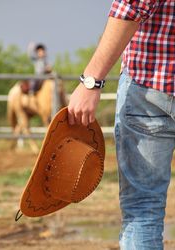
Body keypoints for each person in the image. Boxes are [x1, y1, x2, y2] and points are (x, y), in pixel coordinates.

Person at [68, 1, 174, 249]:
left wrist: (91, 82)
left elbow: (131, 8)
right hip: (151, 92)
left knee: (143, 208)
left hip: (151, 87)